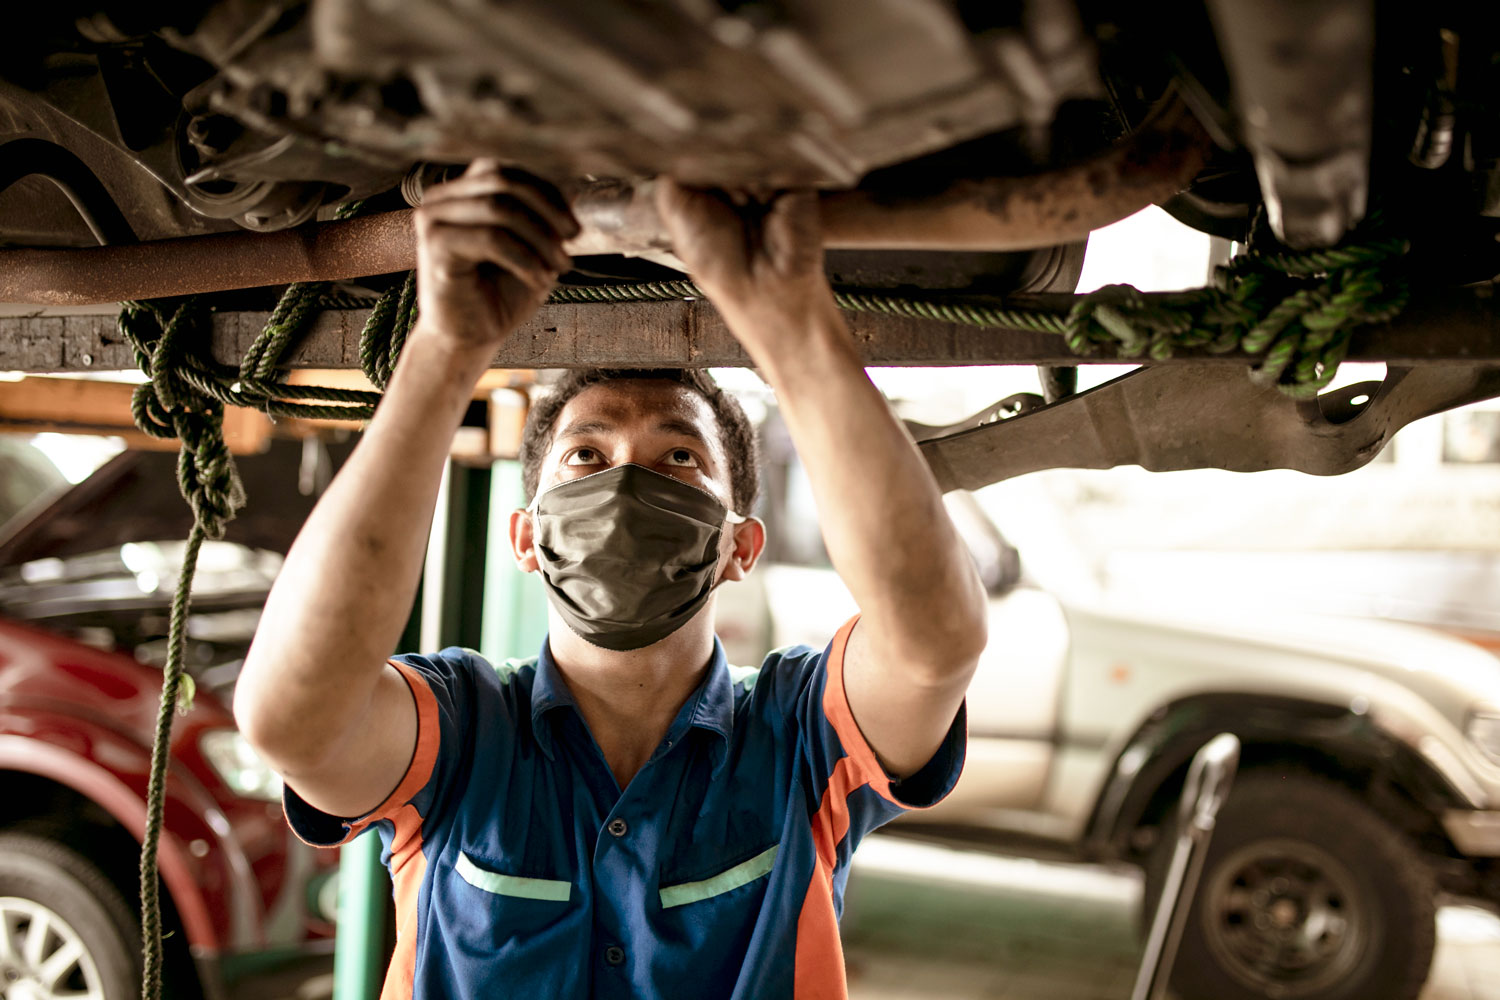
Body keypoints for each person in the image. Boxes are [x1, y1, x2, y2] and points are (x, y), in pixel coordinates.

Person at [235, 161, 988, 1000]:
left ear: (740, 546)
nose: (628, 484)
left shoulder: (799, 742)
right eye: (586, 457)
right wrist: (444, 352)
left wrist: (793, 324)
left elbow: (934, 643)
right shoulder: (462, 735)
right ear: (526, 537)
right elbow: (291, 720)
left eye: (680, 459)